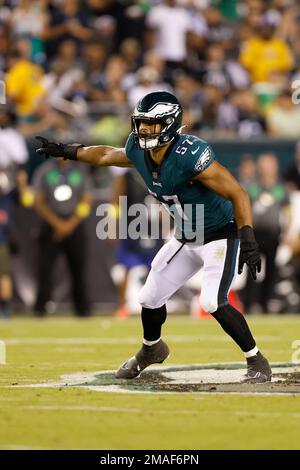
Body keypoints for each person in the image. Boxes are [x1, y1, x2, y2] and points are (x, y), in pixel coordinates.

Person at [35, 90, 272, 383]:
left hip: (219, 235)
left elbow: (238, 192)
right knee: (148, 298)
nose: (143, 130)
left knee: (212, 301)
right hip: (186, 235)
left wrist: (247, 236)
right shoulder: (139, 149)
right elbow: (109, 155)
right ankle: (151, 349)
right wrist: (69, 151)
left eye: (151, 124)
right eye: (141, 123)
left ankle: (257, 359)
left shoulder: (190, 155)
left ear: (170, 124)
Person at [32, 156, 93, 317]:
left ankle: (82, 309)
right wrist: (57, 223)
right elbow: (38, 201)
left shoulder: (80, 171)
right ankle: (40, 309)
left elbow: (87, 199)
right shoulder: (45, 170)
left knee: (78, 269)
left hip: (74, 224)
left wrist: (70, 224)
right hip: (51, 224)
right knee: (45, 269)